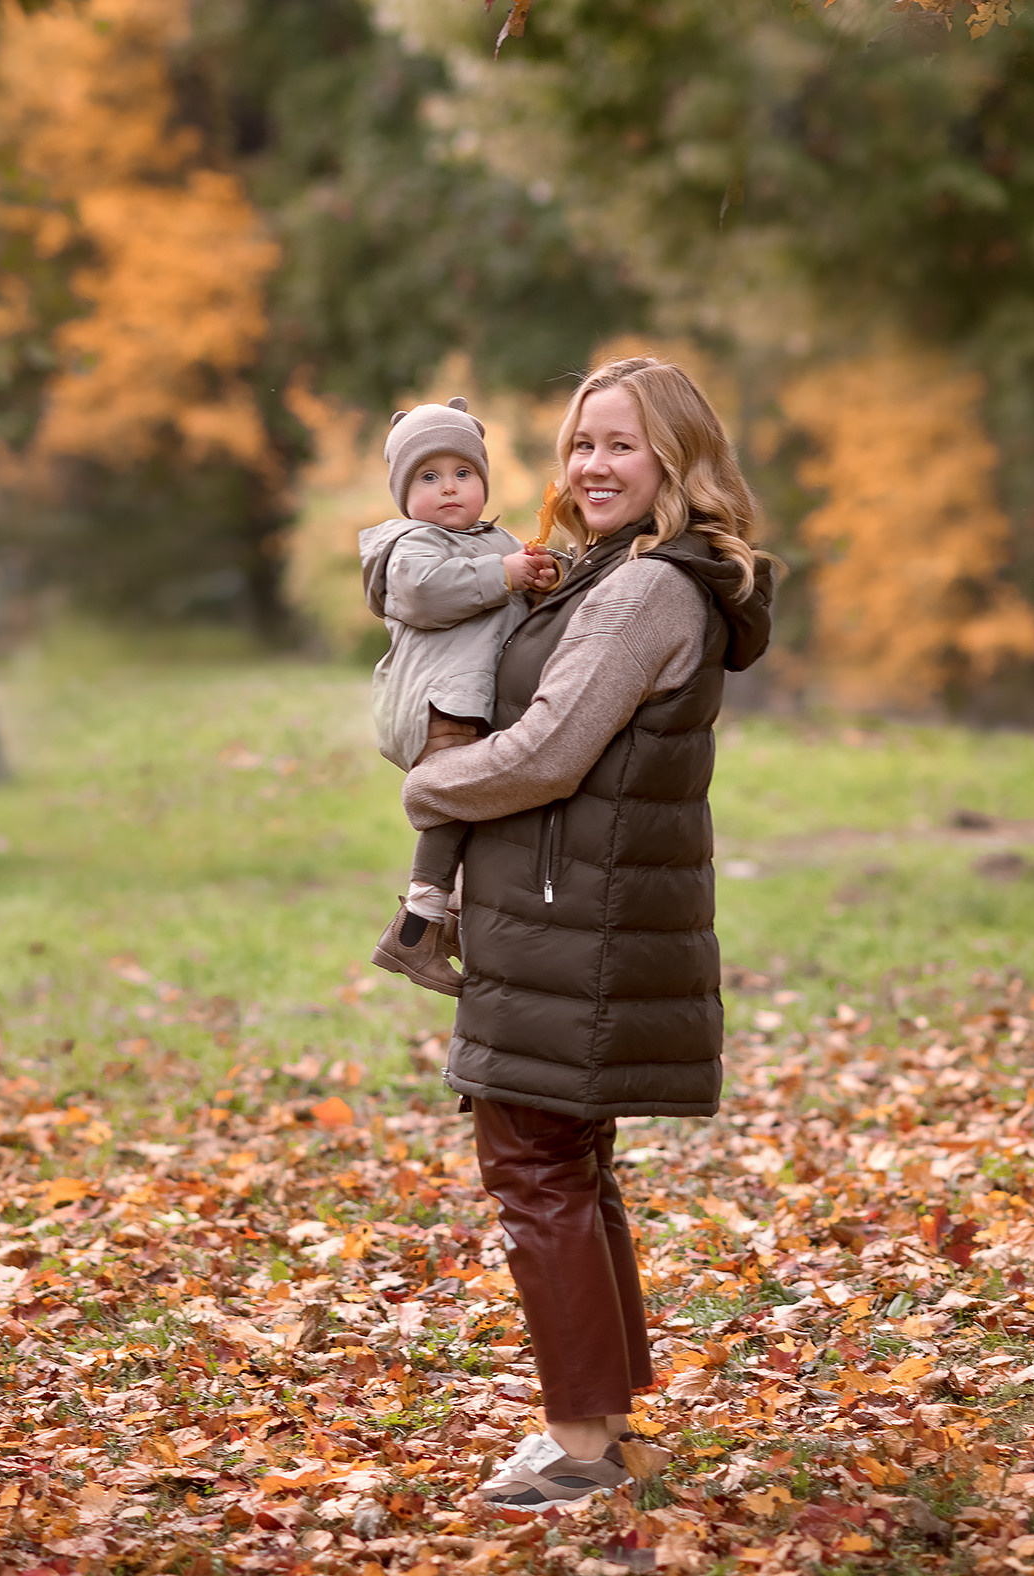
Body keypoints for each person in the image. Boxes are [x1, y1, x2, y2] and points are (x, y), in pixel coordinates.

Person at [400, 356, 774, 1513]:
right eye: (577, 444)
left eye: (618, 444)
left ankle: (578, 1445)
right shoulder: (612, 572)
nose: (590, 466)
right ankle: (605, 1427)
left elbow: (548, 752)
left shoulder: (644, 589)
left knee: (532, 1164)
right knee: (565, 1163)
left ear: (674, 457)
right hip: (570, 914)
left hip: (579, 922)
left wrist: (432, 788)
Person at [359, 396, 558, 995]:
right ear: (404, 493)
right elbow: (426, 593)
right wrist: (504, 576)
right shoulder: (410, 546)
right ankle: (417, 926)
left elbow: (512, 611)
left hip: (475, 700)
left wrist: (541, 580)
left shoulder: (494, 542)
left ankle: (447, 919)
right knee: (454, 796)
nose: (449, 488)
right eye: (429, 476)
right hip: (436, 701)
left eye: (463, 473)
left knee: (478, 808)